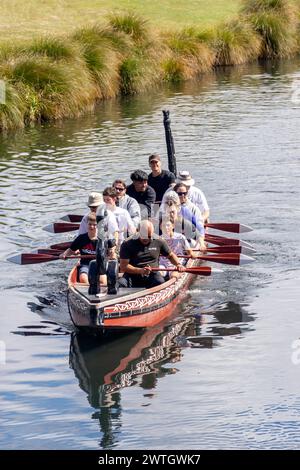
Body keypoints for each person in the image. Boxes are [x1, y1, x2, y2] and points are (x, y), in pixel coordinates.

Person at [119, 220, 185, 288]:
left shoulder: (159, 241)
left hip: (153, 274)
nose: (147, 239)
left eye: (149, 236)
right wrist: (140, 271)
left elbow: (171, 256)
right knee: (120, 283)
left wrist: (178, 264)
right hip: (132, 275)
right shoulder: (127, 243)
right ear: (137, 231)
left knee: (160, 282)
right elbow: (123, 266)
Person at [59, 213, 106, 285]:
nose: (92, 227)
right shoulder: (81, 238)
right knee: (83, 278)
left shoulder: (103, 239)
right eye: (90, 224)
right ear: (87, 224)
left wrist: (112, 254)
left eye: (94, 225)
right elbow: (71, 250)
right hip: (85, 264)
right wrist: (64, 254)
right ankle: (89, 292)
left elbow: (111, 252)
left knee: (102, 281)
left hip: (100, 264)